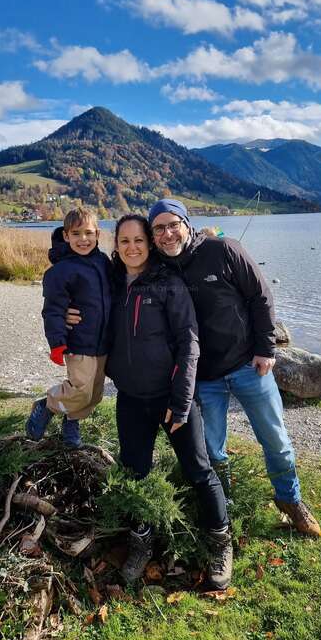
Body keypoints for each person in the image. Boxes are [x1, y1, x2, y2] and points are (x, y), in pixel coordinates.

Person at [147, 198, 321, 538]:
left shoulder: (223, 248)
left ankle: (290, 500)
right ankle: (224, 504)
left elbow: (261, 296)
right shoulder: (160, 269)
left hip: (248, 365)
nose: (167, 234)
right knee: (212, 449)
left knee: (277, 441)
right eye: (159, 228)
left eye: (173, 224)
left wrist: (265, 349)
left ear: (186, 223)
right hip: (204, 378)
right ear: (152, 235)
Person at [105, 214, 232, 587]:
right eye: (124, 241)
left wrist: (181, 402)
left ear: (149, 243)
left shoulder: (168, 283)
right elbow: (73, 272)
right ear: (115, 244)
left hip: (172, 398)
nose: (132, 247)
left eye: (139, 240)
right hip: (130, 399)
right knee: (135, 474)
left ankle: (220, 543)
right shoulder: (111, 283)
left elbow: (188, 344)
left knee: (199, 471)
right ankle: (142, 543)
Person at [25, 207, 112, 448]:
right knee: (80, 389)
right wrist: (57, 343)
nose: (83, 239)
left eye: (88, 233)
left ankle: (71, 423)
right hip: (79, 341)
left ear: (98, 234)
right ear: (66, 236)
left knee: (94, 393)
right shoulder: (60, 272)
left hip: (102, 343)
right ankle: (47, 404)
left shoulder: (103, 262)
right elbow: (52, 310)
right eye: (76, 234)